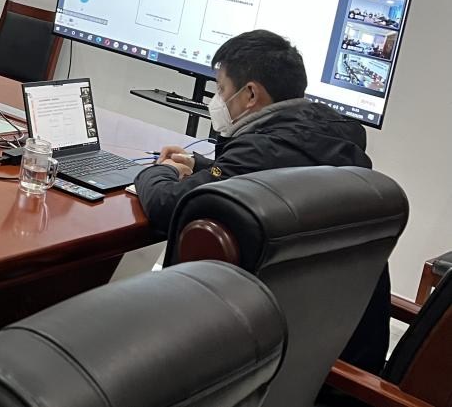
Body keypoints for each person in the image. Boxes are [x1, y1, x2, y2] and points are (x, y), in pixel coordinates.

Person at [134, 29, 390, 373]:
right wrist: (201, 165)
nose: (217, 99)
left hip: (268, 362)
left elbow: (168, 207)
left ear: (250, 94)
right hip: (331, 348)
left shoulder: (261, 151)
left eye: (221, 88)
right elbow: (263, 174)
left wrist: (159, 171)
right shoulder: (332, 140)